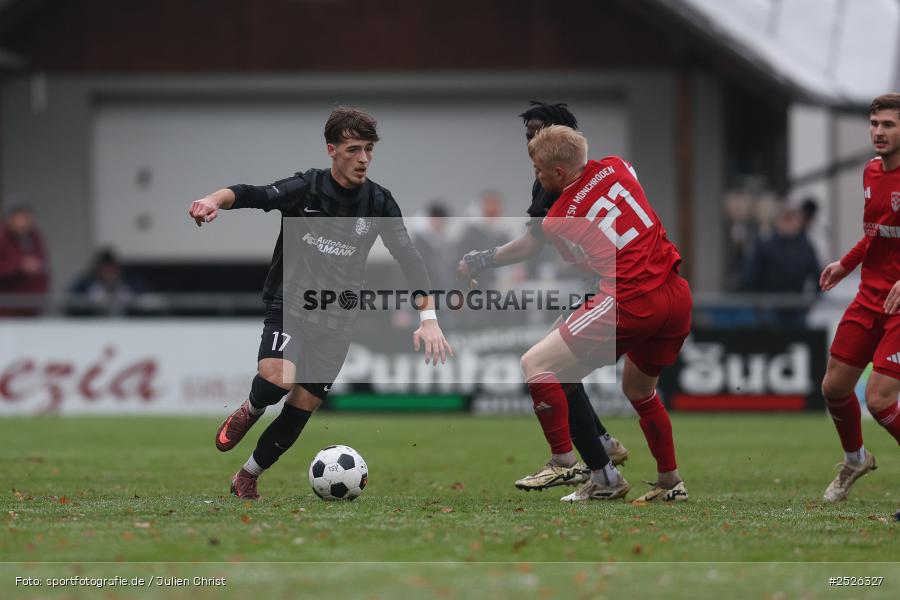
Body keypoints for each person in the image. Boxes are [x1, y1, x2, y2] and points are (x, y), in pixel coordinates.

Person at [188, 107, 453, 500]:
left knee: (302, 405)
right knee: (278, 379)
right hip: (290, 302)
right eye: (353, 149)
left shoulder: (379, 201)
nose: (363, 158)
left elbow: (410, 258)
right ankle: (252, 407)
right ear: (332, 150)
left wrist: (428, 318)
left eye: (368, 150)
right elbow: (251, 195)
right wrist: (212, 200)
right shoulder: (306, 188)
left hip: (339, 317)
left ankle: (248, 475)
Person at [458, 103, 629, 498]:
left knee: (542, 364)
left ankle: (579, 462)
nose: (533, 141)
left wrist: (484, 259)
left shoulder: (568, 185)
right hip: (614, 286)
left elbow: (535, 243)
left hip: (620, 290)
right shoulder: (604, 171)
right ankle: (606, 464)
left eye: (543, 131)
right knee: (561, 370)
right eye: (529, 134)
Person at [818, 93, 900, 502]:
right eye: (875, 124)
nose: (879, 132)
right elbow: (875, 233)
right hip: (871, 296)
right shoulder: (870, 172)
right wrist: (844, 265)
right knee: (834, 386)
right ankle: (855, 458)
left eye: (889, 125)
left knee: (880, 398)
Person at [741, 205, 820, 327]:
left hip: (796, 305)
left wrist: (811, 302)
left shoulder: (805, 246)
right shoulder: (765, 245)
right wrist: (758, 303)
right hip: (771, 304)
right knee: (772, 340)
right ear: (778, 221)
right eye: (785, 219)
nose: (788, 224)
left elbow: (818, 276)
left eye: (791, 219)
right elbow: (751, 276)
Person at [0, 205, 49, 316]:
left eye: (27, 218)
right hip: (6, 310)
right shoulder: (2, 238)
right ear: (10, 219)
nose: (24, 223)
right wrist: (19, 266)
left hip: (31, 308)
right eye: (20, 218)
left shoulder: (34, 238)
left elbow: (42, 266)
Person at [68, 248, 147, 316]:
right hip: (94, 325)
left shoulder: (131, 283)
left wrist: (130, 299)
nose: (109, 273)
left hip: (125, 326)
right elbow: (70, 302)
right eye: (105, 269)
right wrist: (90, 302)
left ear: (117, 269)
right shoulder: (85, 284)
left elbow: (147, 300)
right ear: (98, 270)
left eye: (111, 269)